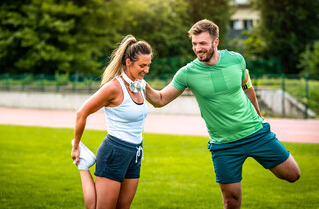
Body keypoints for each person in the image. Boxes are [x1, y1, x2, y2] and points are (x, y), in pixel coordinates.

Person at [145, 19, 300, 209]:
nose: (197, 48)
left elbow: (247, 87)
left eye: (202, 43)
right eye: (194, 43)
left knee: (293, 174)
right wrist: (141, 83)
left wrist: (259, 116)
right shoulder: (187, 73)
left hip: (256, 134)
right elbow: (160, 99)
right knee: (231, 201)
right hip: (224, 146)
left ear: (215, 42)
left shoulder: (236, 60)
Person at [71, 35, 152, 209]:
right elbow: (82, 113)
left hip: (135, 153)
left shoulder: (139, 84)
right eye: (142, 66)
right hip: (114, 151)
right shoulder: (113, 87)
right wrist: (76, 145)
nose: (146, 70)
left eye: (148, 65)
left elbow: (159, 99)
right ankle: (83, 165)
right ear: (128, 62)